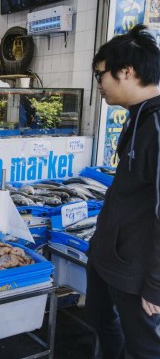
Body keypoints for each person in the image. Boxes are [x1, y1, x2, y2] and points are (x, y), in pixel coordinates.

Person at [87, 24, 160, 359]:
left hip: (137, 271)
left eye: (100, 75)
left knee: (143, 349)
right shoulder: (135, 116)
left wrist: (156, 286)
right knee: (103, 324)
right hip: (109, 256)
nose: (99, 85)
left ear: (126, 71)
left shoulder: (157, 126)